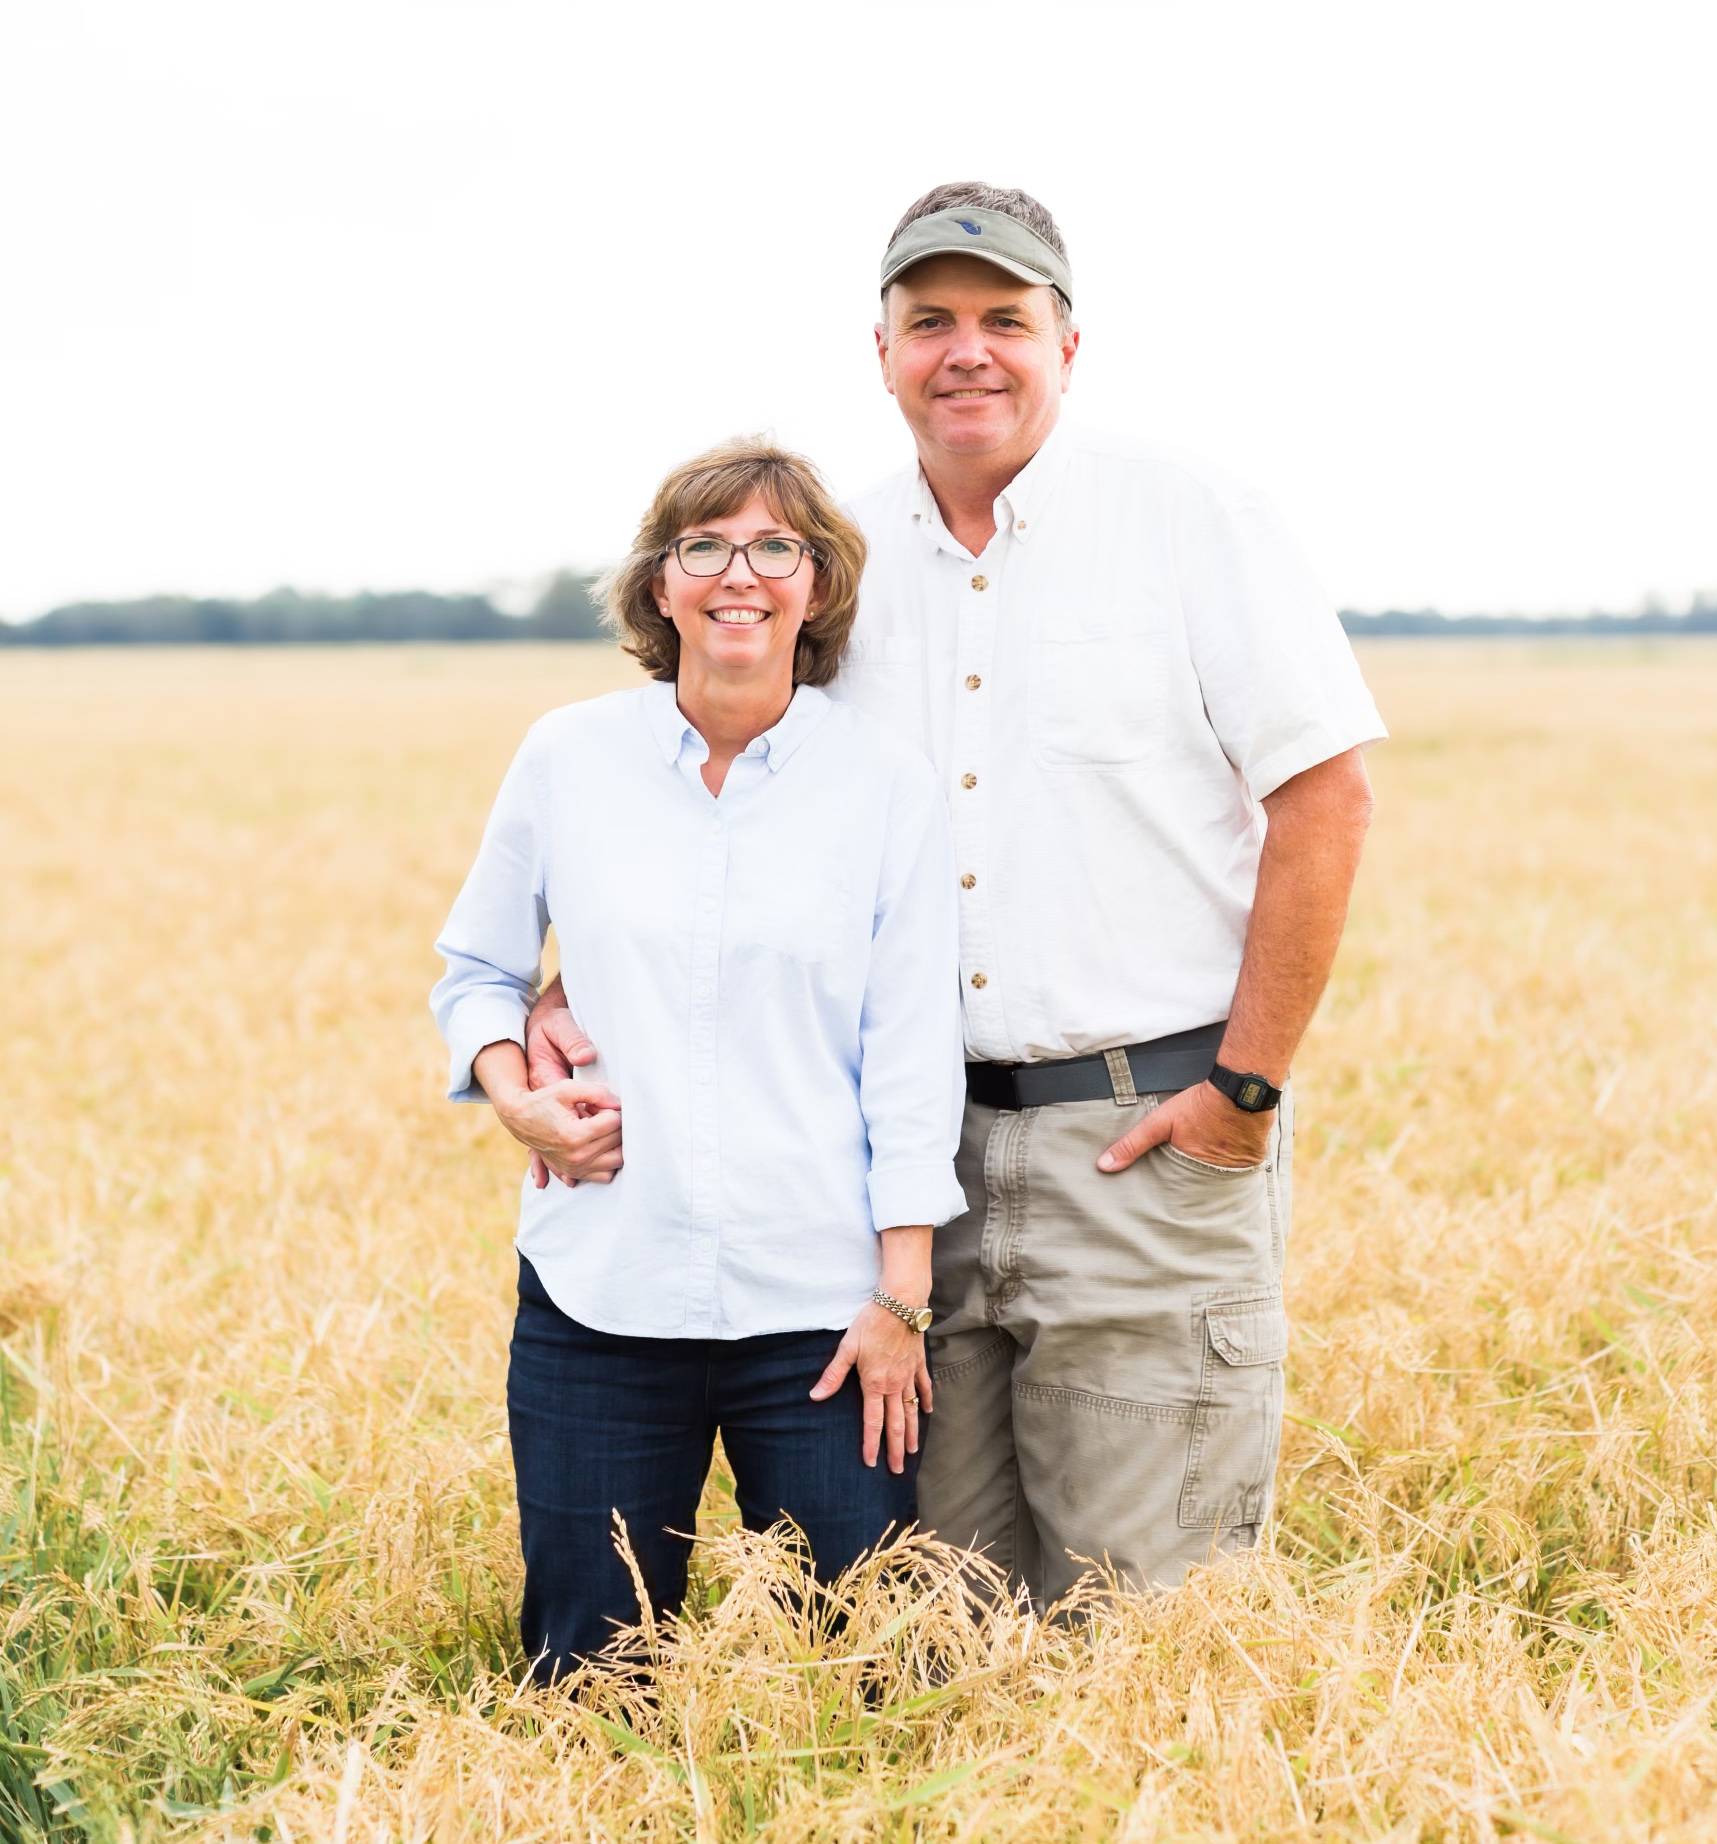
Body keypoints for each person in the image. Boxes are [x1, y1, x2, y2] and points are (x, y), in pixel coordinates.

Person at [522, 183, 1386, 1608]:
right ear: (882, 351)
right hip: (896, 1180)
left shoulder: (1193, 520)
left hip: (1145, 1143)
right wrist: (577, 981)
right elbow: (721, 787)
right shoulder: (832, 564)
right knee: (939, 1622)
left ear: (1070, 342)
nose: (966, 351)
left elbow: (1326, 799)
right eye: (931, 321)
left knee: (1143, 1613)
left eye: (1005, 319)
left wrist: (1242, 1094)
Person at [432, 438, 966, 1682]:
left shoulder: (885, 786)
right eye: (706, 545)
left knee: (873, 1664)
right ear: (660, 584)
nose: (742, 572)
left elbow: (909, 1054)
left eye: (776, 546)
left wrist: (899, 1301)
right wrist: (519, 1101)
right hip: (600, 1296)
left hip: (820, 1316)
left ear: (819, 585)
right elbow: (477, 969)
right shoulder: (567, 758)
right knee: (590, 1668)